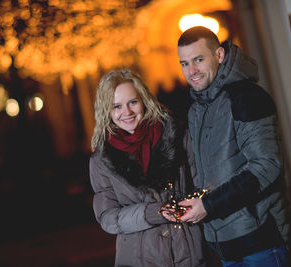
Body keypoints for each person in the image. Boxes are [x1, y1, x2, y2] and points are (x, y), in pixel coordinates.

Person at [175, 26, 291, 266]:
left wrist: (208, 205)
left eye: (198, 59)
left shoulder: (246, 96)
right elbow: (211, 173)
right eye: (184, 63)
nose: (192, 71)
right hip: (225, 244)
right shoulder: (197, 109)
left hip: (260, 239)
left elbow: (267, 166)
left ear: (219, 55)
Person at [89, 69, 208, 266]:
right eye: (116, 106)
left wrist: (198, 204)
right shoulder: (101, 161)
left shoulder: (179, 136)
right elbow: (108, 218)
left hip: (189, 254)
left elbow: (201, 185)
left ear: (144, 100)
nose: (126, 112)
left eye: (132, 102)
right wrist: (153, 212)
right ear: (106, 111)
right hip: (140, 259)